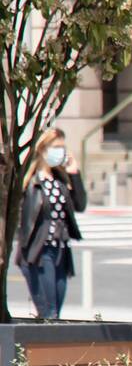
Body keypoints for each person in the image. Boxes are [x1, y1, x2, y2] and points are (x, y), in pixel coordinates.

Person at [14, 127, 85, 319]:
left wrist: (75, 174)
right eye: (55, 147)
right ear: (43, 149)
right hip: (39, 252)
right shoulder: (29, 181)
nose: (60, 152)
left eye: (62, 147)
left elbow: (80, 205)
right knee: (49, 313)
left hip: (61, 250)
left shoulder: (61, 180)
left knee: (56, 311)